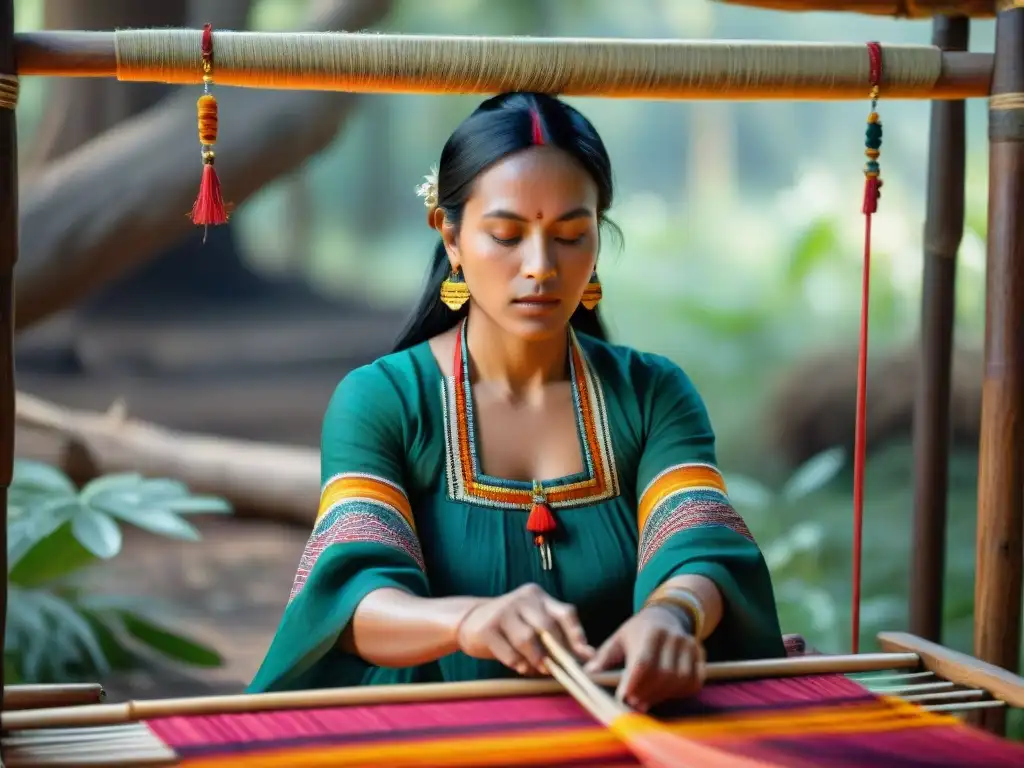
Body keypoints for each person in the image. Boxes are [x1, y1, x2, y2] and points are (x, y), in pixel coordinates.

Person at [248, 92, 786, 713]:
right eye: (506, 235)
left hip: (622, 723)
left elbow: (701, 543)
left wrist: (673, 614)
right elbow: (351, 594)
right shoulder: (383, 400)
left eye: (571, 235)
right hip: (432, 737)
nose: (540, 267)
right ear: (449, 237)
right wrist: (467, 621)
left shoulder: (652, 393)